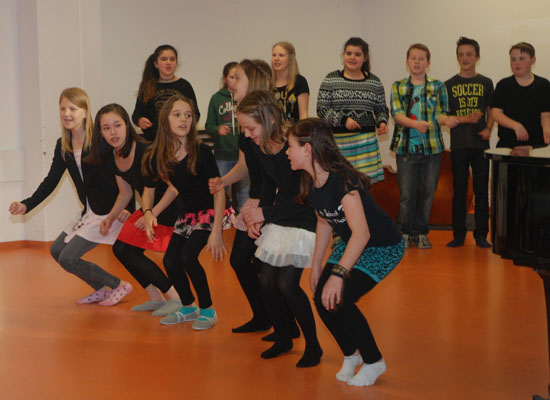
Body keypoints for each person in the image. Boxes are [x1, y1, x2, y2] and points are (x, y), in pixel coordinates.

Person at [286, 118, 404, 386]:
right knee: (322, 298)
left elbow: (362, 233)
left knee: (340, 298)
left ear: (307, 149)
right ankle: (352, 354)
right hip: (353, 242)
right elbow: (323, 221)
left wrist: (338, 275)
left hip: (382, 245)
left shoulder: (342, 182)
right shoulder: (311, 180)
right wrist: (316, 265)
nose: (287, 152)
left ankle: (374, 361)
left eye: (290, 146)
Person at [9, 88, 133, 306]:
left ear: (85, 112)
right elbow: (51, 181)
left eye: (73, 109)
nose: (67, 113)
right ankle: (101, 288)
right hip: (88, 211)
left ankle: (118, 284)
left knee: (68, 257)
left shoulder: (101, 140)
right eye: (63, 109)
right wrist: (26, 205)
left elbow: (124, 176)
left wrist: (127, 208)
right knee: (57, 250)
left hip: (108, 211)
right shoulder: (63, 145)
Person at [237, 90, 322, 367]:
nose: (247, 134)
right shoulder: (260, 146)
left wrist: (264, 213)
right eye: (244, 129)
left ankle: (313, 346)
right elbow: (266, 183)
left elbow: (303, 198)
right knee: (266, 282)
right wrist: (259, 217)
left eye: (251, 128)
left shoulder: (295, 144)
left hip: (304, 216)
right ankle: (284, 336)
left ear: (269, 120)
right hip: (280, 214)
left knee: (287, 285)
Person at [142, 95, 233, 330]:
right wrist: (149, 213)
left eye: (188, 115)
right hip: (188, 214)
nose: (184, 119)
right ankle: (188, 306)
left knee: (188, 257)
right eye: (177, 115)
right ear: (166, 120)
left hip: (211, 211)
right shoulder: (160, 155)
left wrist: (216, 232)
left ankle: (208, 309)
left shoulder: (202, 152)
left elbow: (219, 192)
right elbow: (159, 190)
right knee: (170, 260)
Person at [86, 103, 183, 315]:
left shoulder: (146, 150)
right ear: (100, 133)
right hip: (149, 208)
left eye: (117, 125)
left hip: (170, 208)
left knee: (130, 250)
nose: (113, 132)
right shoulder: (114, 156)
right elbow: (125, 193)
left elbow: (174, 188)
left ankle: (176, 297)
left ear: (127, 125)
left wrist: (151, 214)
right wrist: (110, 217)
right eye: (106, 128)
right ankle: (156, 298)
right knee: (121, 249)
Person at [209, 59, 274, 335]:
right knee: (241, 261)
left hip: (268, 204)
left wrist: (263, 206)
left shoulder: (268, 123)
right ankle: (264, 316)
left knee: (266, 267)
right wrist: (223, 180)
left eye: (238, 78)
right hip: (255, 201)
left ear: (253, 82)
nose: (231, 83)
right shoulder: (246, 125)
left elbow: (276, 172)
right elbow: (245, 165)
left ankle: (281, 322)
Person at [390, 43, 457, 249]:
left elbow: (441, 112)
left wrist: (446, 120)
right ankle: (405, 232)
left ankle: (420, 233)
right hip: (406, 150)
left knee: (427, 194)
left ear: (428, 63)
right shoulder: (398, 86)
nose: (417, 62)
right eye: (413, 58)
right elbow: (397, 114)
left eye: (421, 59)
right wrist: (415, 124)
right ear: (407, 62)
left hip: (432, 149)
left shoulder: (438, 86)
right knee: (407, 195)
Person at [445, 37, 494, 248]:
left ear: (478, 57)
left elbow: (491, 111)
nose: (465, 58)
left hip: (480, 145)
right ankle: (458, 234)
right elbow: (445, 116)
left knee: (481, 191)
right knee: (459, 191)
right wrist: (463, 119)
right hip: (459, 145)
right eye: (461, 55)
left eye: (469, 54)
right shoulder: (449, 84)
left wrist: (488, 128)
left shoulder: (486, 82)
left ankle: (481, 235)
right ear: (457, 57)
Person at [317, 37, 389, 183]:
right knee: (340, 184)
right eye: (348, 53)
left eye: (357, 54)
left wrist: (382, 122)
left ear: (365, 57)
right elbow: (322, 110)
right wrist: (344, 120)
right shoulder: (330, 79)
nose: (352, 57)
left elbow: (381, 108)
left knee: (364, 186)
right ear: (343, 55)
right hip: (338, 144)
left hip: (366, 145)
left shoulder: (374, 82)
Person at [205, 61, 249, 211]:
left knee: (244, 193)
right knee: (221, 191)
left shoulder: (244, 98)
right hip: (223, 155)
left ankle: (243, 217)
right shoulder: (216, 99)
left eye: (238, 77)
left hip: (242, 154)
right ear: (225, 79)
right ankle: (222, 217)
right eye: (231, 77)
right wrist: (217, 129)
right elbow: (209, 125)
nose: (234, 81)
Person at [132, 44, 200, 142]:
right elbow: (136, 115)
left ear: (176, 63)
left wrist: (185, 123)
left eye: (172, 59)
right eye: (164, 59)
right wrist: (139, 121)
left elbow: (196, 114)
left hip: (180, 141)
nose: (168, 63)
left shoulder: (185, 86)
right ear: (156, 64)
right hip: (154, 142)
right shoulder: (147, 86)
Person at [491, 42, 550, 149]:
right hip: (508, 146)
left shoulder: (544, 84)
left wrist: (547, 131)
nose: (517, 63)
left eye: (521, 58)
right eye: (513, 59)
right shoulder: (503, 85)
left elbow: (545, 115)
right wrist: (516, 126)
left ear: (533, 60)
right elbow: (496, 113)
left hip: (536, 146)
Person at [271, 41, 309, 122]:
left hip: (295, 129)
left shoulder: (300, 82)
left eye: (281, 55)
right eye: (274, 55)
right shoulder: (267, 82)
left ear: (290, 59)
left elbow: (303, 115)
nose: (276, 58)